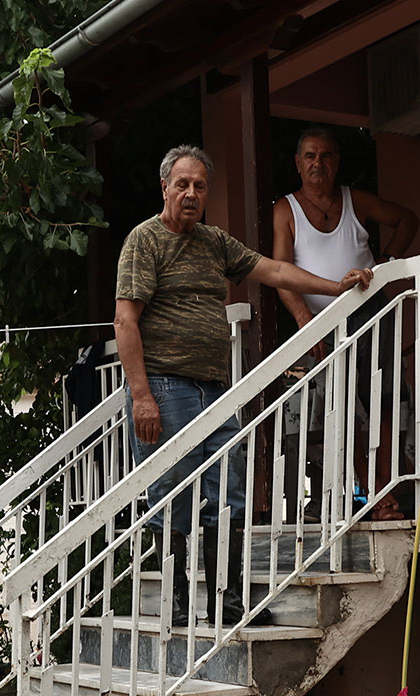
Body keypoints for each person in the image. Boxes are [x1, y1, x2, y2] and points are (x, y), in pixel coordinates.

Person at [117, 144, 374, 626]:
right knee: (167, 495)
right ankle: (174, 607)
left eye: (199, 185)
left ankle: (228, 606)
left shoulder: (215, 242)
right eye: (182, 184)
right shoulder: (144, 241)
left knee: (230, 494)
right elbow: (125, 320)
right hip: (165, 390)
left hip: (216, 391)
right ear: (165, 188)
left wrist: (334, 286)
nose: (191, 193)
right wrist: (141, 395)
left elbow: (273, 269)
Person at [272, 127, 420, 521]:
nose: (317, 163)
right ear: (298, 163)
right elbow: (281, 274)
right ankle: (372, 490)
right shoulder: (286, 209)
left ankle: (386, 486)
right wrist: (306, 320)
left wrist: (388, 263)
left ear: (336, 162)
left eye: (325, 156)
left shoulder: (354, 199)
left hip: (373, 310)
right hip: (324, 323)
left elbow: (407, 218)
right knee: (344, 407)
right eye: (309, 156)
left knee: (386, 399)